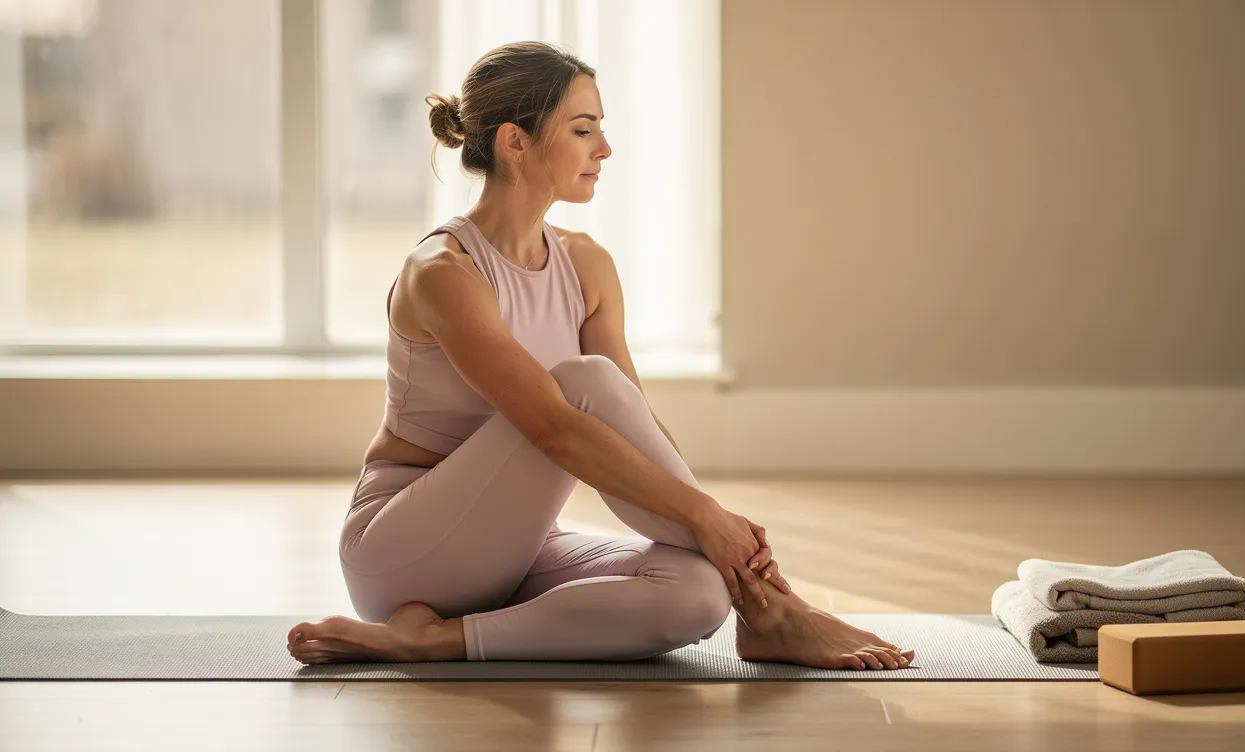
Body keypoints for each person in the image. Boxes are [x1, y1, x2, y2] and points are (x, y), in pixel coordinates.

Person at [286, 41, 914, 671]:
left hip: (520, 549)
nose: (604, 150)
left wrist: (714, 545)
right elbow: (556, 427)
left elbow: (635, 421)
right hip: (406, 552)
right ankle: (775, 609)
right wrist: (708, 517)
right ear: (516, 142)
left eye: (601, 130)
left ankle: (430, 639)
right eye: (583, 130)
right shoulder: (444, 271)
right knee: (585, 383)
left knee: (698, 595)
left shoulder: (586, 264)